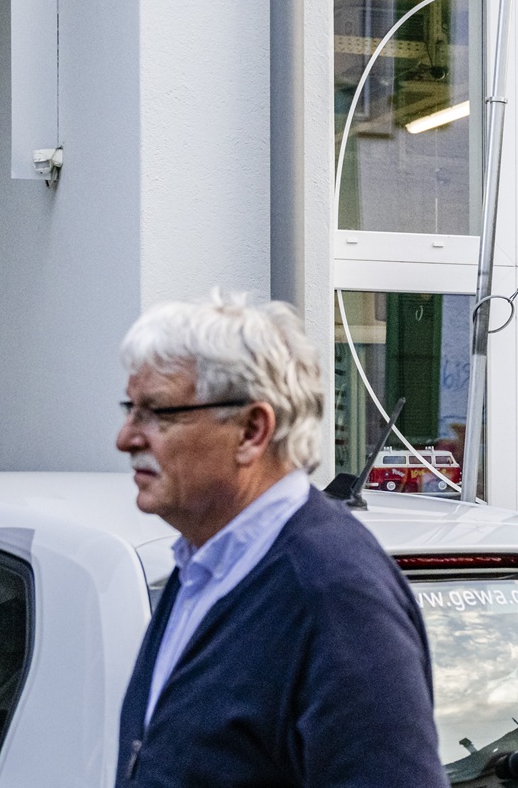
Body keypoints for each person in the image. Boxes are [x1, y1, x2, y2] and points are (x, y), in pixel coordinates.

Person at [113, 291, 447, 788]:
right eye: (130, 409)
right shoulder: (204, 564)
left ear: (252, 430)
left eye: (157, 413)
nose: (126, 438)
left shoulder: (334, 595)